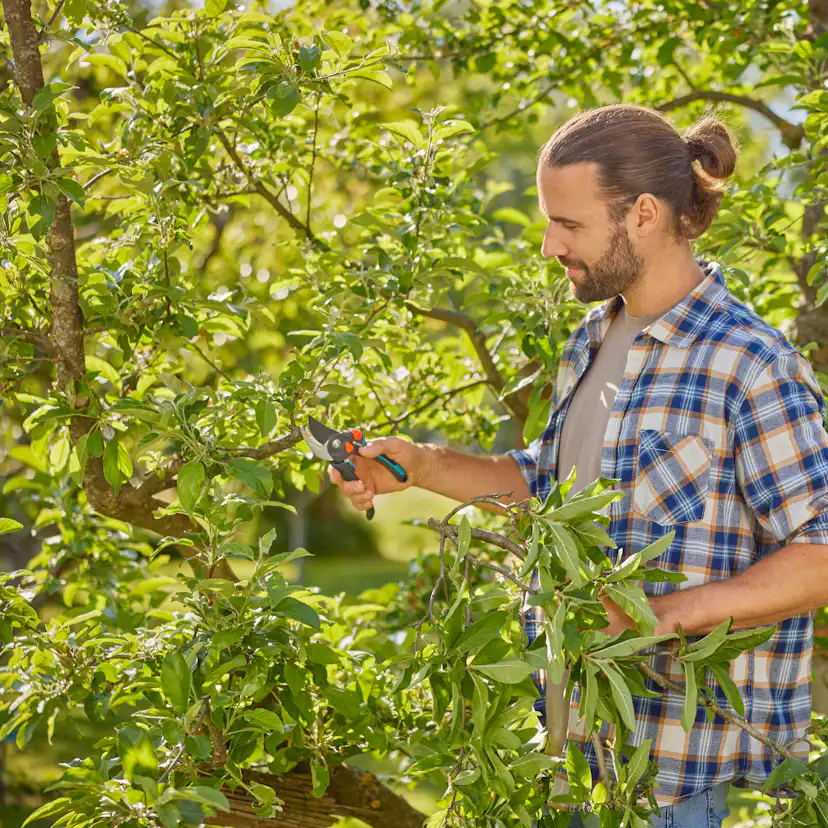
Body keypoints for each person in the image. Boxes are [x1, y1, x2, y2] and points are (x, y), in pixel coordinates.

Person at [327, 103, 828, 827]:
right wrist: (419, 464)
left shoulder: (749, 365)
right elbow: (549, 489)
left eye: (568, 224)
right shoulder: (592, 339)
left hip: (672, 777)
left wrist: (662, 617)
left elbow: (821, 554)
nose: (547, 246)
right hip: (569, 750)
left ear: (644, 215)